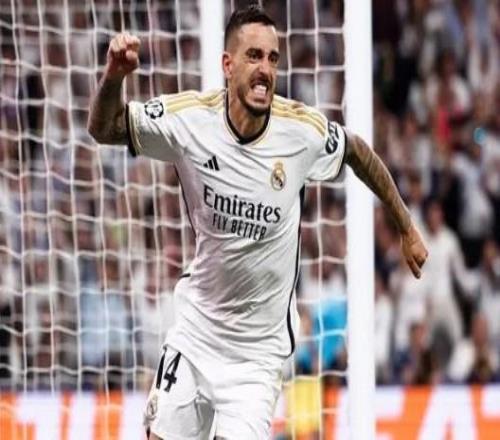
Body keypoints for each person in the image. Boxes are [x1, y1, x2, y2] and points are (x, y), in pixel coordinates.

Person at [88, 5, 428, 440]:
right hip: (196, 333)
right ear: (227, 64)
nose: (265, 69)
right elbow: (104, 128)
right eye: (253, 56)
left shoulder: (301, 131)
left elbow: (357, 152)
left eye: (272, 58)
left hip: (257, 356)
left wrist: (406, 226)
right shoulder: (190, 120)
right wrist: (114, 76)